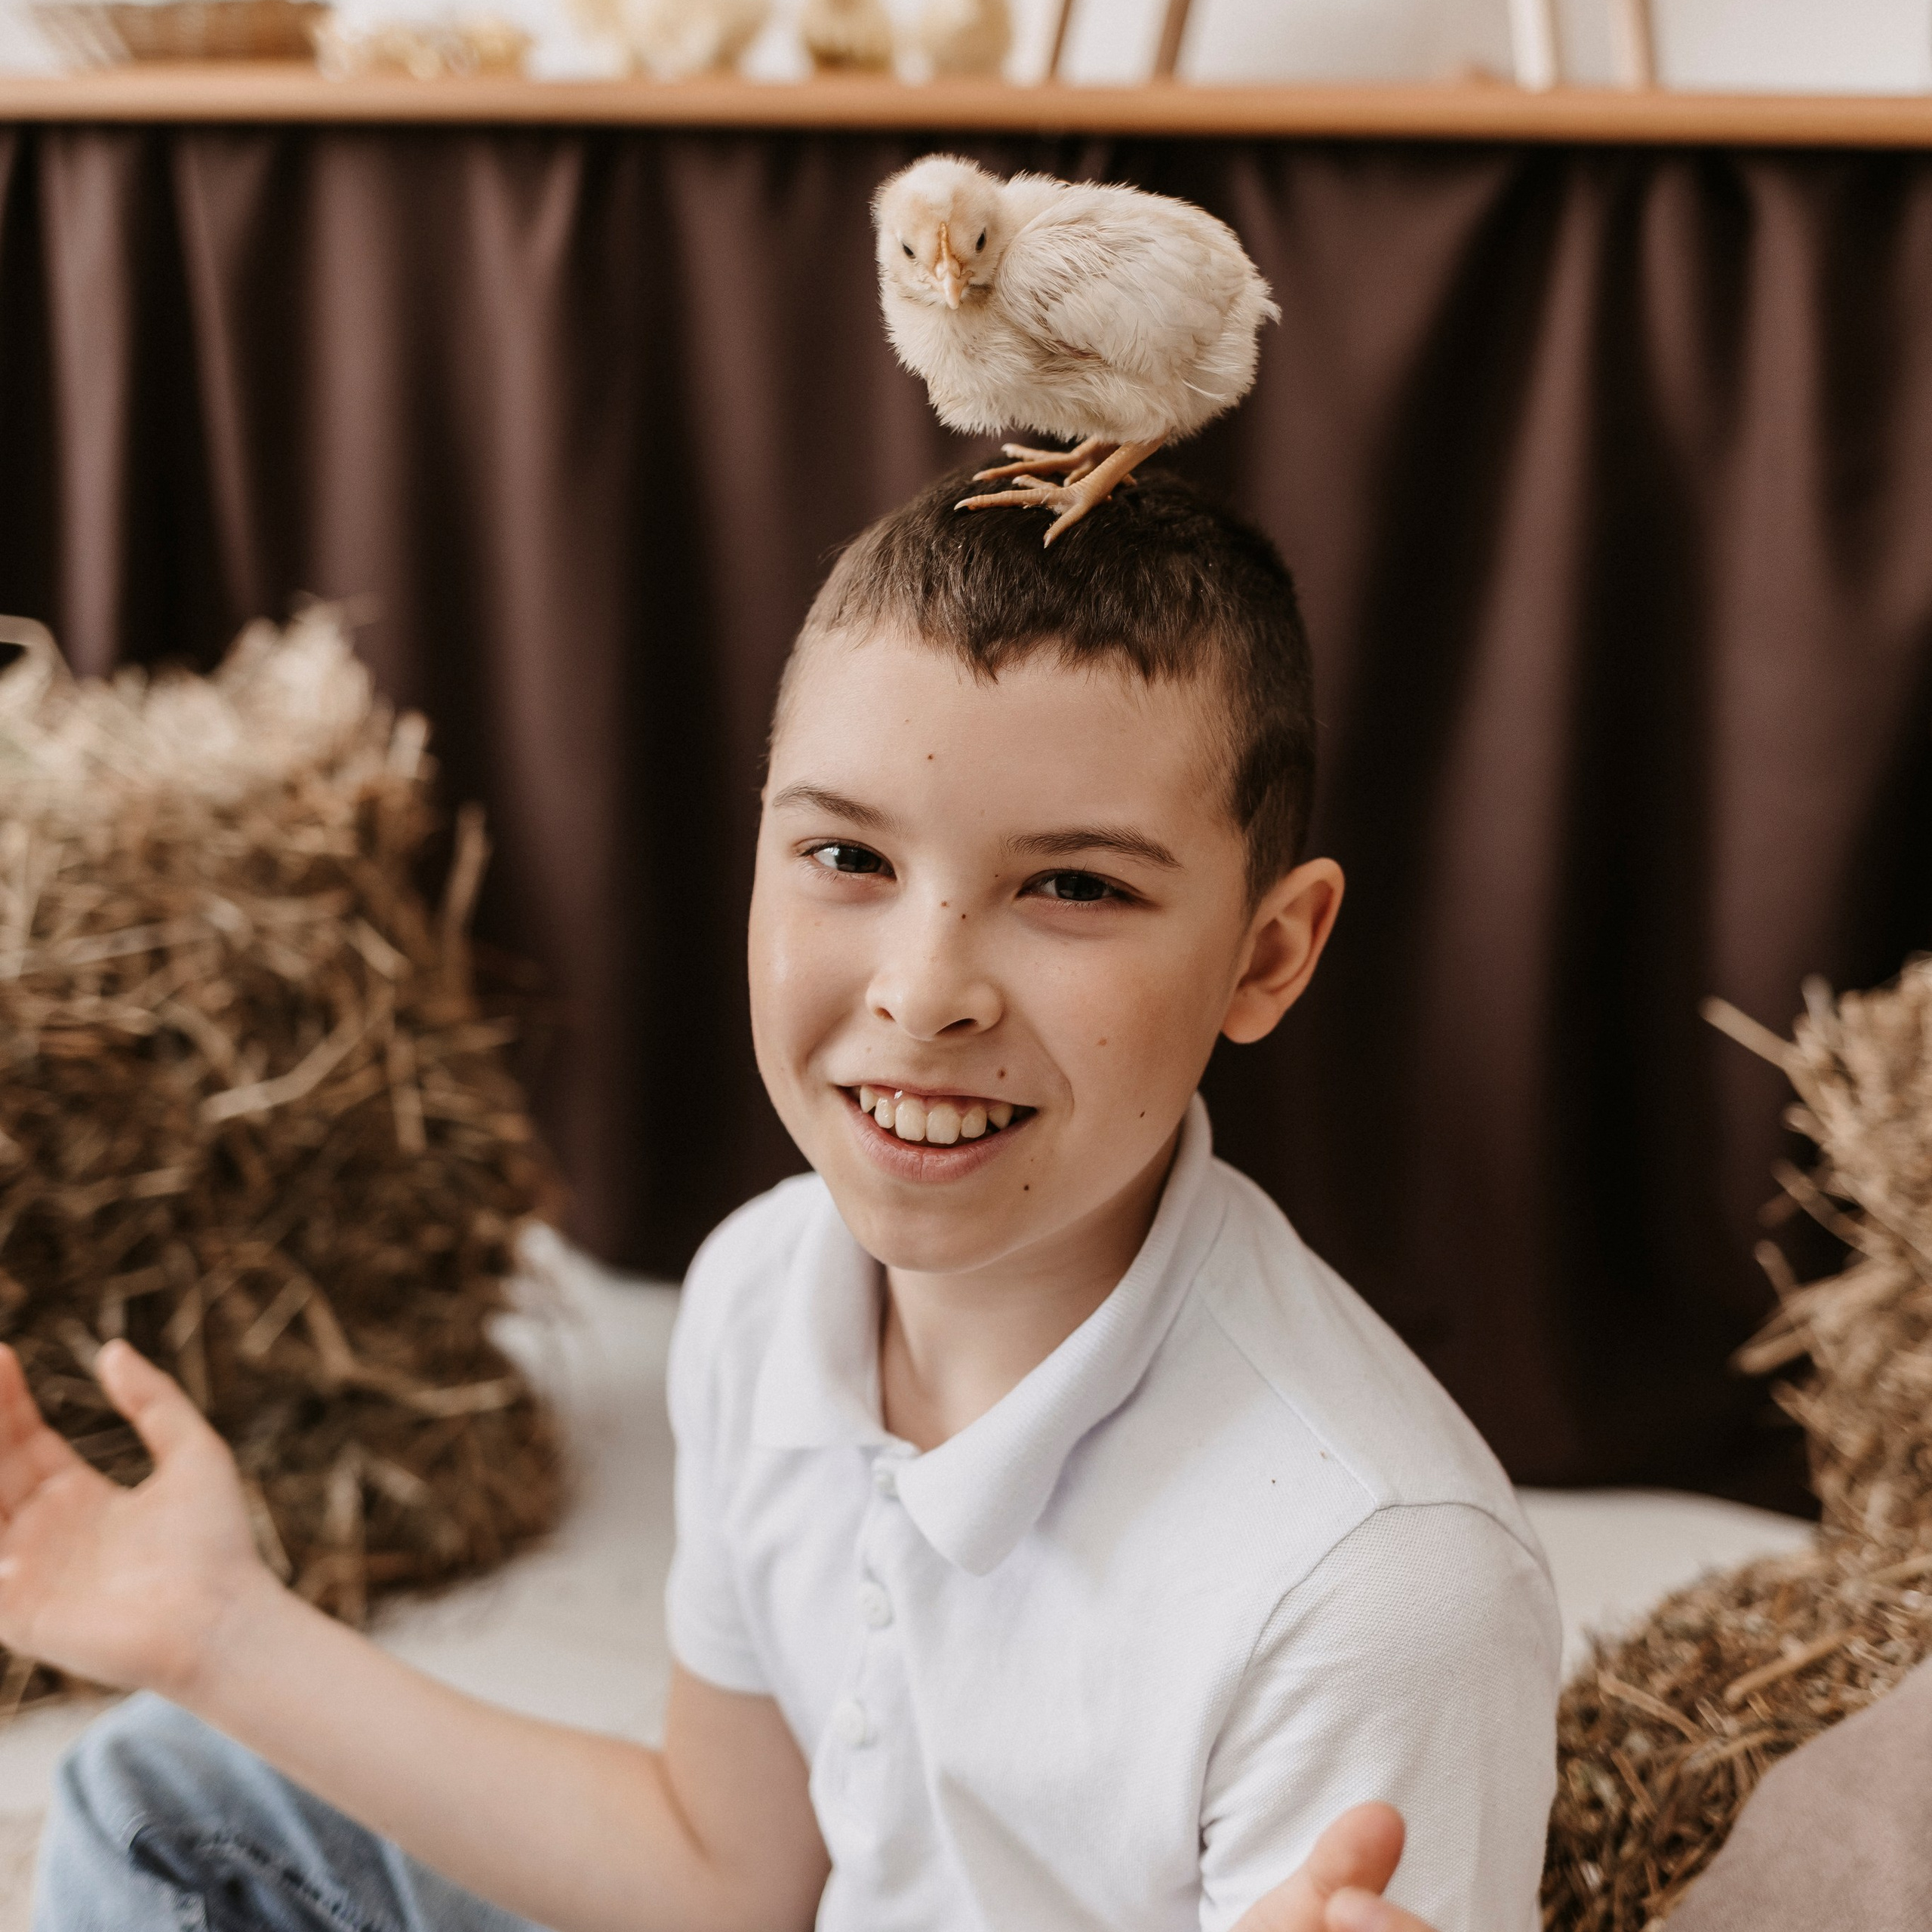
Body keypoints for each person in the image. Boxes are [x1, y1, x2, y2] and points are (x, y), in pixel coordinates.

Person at [3, 470, 1558, 1932]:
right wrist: (213, 1625)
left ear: (1267, 953)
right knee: (161, 1794)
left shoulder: (1378, 1581)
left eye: (1073, 886)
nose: (924, 989)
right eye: (844, 853)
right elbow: (728, 1875)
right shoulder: (763, 1285)